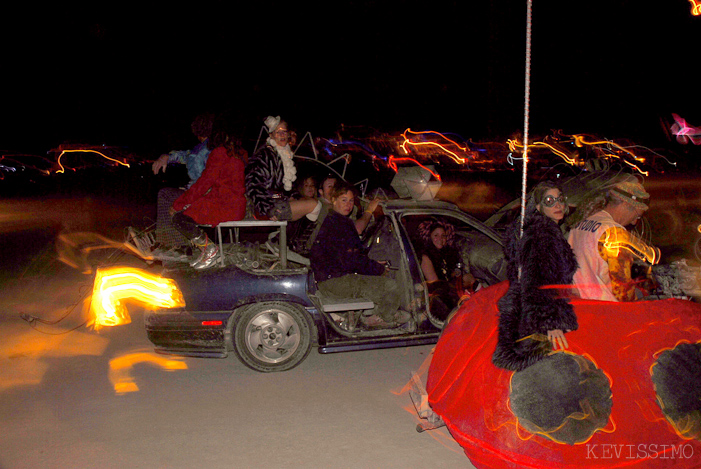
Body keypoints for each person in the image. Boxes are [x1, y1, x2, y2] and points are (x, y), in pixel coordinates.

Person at [492, 180, 579, 372]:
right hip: (538, 316)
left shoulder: (546, 231)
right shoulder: (542, 236)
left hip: (529, 310)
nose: (557, 205)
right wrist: (551, 322)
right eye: (549, 201)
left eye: (560, 199)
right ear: (539, 207)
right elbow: (537, 282)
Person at [309, 181, 412, 329]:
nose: (348, 205)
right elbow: (353, 260)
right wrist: (379, 269)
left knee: (373, 280)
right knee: (391, 286)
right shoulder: (340, 224)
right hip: (337, 282)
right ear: (333, 200)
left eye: (351, 201)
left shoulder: (334, 220)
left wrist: (374, 264)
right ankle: (384, 317)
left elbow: (350, 256)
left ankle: (372, 315)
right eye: (344, 200)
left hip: (330, 279)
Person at [567, 174, 659, 301]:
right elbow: (621, 289)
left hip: (579, 303)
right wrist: (639, 295)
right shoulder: (615, 232)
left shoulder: (580, 224)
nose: (634, 222)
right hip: (605, 308)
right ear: (626, 205)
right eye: (636, 215)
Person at [169, 124, 248, 270]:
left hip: (224, 206)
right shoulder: (241, 153)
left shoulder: (219, 153)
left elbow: (204, 183)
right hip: (236, 205)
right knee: (190, 210)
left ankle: (210, 250)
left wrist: (178, 204)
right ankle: (207, 250)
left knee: (179, 218)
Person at [149, 113, 215, 253]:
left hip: (204, 196)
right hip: (203, 192)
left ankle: (177, 246)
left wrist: (187, 193)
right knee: (171, 195)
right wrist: (167, 156)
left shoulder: (205, 150)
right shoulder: (206, 147)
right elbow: (187, 155)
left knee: (166, 195)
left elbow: (202, 180)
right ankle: (171, 243)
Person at [245, 116, 319, 221]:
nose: (282, 135)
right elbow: (254, 185)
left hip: (280, 202)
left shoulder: (285, 155)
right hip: (266, 208)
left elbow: (286, 187)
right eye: (278, 132)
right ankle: (287, 236)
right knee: (313, 205)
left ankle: (289, 235)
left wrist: (293, 196)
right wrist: (267, 208)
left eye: (284, 132)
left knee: (313, 203)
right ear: (271, 135)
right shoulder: (264, 156)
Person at [417, 219, 475, 322]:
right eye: (436, 235)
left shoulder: (446, 253)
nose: (440, 239)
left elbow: (451, 273)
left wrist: (458, 275)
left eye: (443, 236)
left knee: (470, 280)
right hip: (436, 297)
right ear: (430, 237)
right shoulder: (426, 257)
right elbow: (436, 284)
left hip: (447, 291)